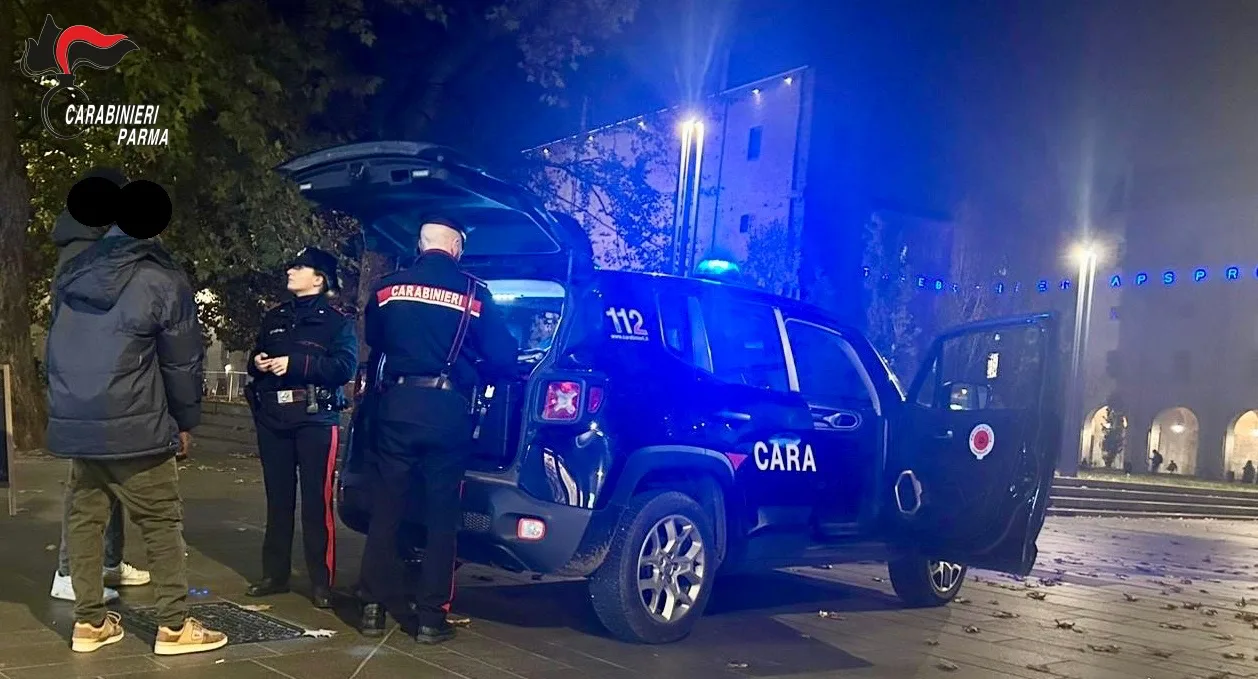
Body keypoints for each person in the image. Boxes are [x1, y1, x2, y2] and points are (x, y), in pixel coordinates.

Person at [46, 213, 227, 655]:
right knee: (161, 522)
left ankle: (89, 622)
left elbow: (58, 345)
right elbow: (181, 362)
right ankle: (174, 626)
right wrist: (184, 422)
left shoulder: (72, 274)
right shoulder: (162, 279)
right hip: (138, 422)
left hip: (80, 422)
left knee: (84, 521)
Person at [357, 216, 517, 644]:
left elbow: (377, 340)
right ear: (456, 247)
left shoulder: (388, 288)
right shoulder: (474, 294)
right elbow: (504, 356)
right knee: (441, 516)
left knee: (386, 509)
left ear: (420, 244)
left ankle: (372, 606)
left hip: (396, 405)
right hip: (446, 411)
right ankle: (430, 618)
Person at [46, 169, 151, 605]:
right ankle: (70, 572)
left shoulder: (91, 245)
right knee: (87, 484)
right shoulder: (84, 251)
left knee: (110, 477)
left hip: (99, 377)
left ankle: (107, 561)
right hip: (90, 382)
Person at [245, 247, 357, 608]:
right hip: (273, 417)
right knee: (277, 501)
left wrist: (296, 364)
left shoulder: (336, 322)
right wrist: (258, 361)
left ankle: (321, 582)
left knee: (316, 503)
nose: (291, 271)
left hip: (315, 418)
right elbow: (255, 356)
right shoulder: (275, 317)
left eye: (300, 267)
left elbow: (344, 368)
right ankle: (274, 575)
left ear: (319, 278)